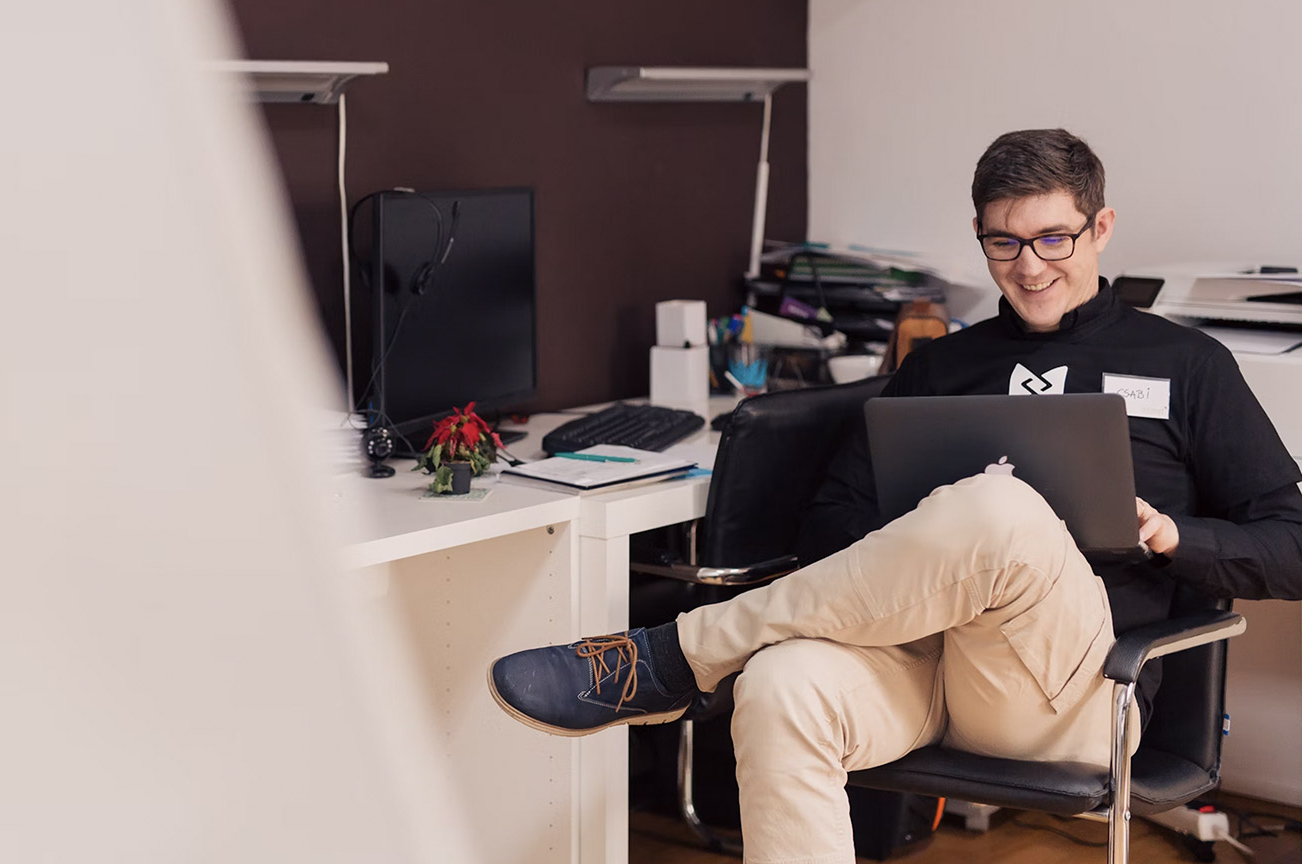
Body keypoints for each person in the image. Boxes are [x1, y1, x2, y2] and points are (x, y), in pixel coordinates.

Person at [487, 129, 1302, 864]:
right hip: (917, 665)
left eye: (1054, 236)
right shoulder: (942, 367)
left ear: (1102, 227)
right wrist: (923, 534)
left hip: (1076, 692)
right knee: (780, 689)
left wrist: (1169, 537)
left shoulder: (1187, 366)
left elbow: (1291, 544)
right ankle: (693, 659)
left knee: (1001, 507)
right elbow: (832, 522)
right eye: (1003, 242)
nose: (1029, 265)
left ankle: (675, 655)